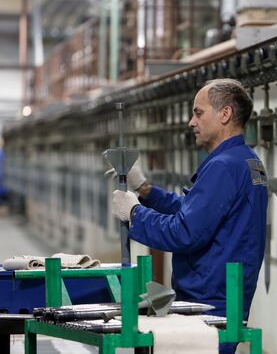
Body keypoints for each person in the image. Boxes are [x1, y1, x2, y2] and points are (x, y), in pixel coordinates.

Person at [110, 78, 268, 354]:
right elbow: (196, 211)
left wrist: (134, 214)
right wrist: (146, 191)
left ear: (225, 114)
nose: (190, 122)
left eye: (198, 113)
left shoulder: (223, 167)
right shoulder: (245, 160)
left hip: (209, 305)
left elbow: (184, 231)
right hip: (222, 300)